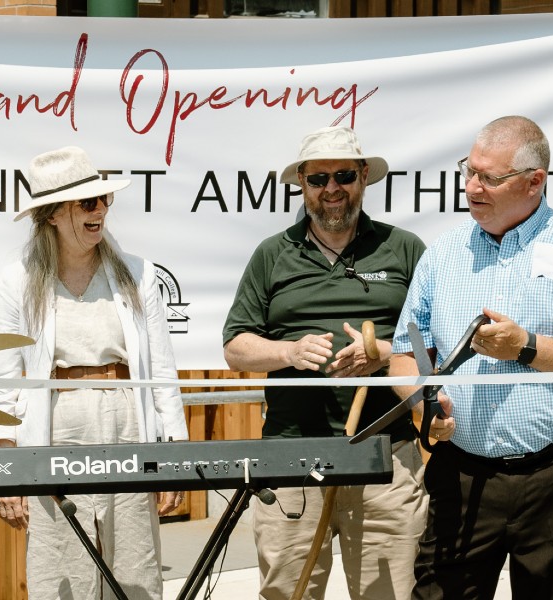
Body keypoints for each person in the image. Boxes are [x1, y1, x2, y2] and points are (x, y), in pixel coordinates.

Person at [393, 116, 553, 599]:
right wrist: (424, 407)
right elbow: (406, 354)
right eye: (469, 171)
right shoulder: (442, 255)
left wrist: (526, 348)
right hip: (460, 473)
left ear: (534, 182)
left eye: (490, 177)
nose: (472, 187)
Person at [222, 126, 428, 600]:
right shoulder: (273, 254)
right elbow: (235, 346)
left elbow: (433, 343)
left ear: (362, 179)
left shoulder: (404, 248)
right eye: (318, 180)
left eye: (342, 176)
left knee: (389, 595)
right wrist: (287, 352)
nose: (331, 189)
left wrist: (382, 353)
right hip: (292, 455)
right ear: (302, 186)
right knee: (288, 593)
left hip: (386, 456)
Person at [0, 146, 188, 600]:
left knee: (136, 576)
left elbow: (161, 370)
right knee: (61, 577)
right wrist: (5, 470)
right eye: (87, 202)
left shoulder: (138, 273)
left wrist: (174, 456)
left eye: (103, 201)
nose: (101, 210)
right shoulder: (18, 279)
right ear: (52, 214)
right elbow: (4, 378)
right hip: (53, 430)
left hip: (129, 427)